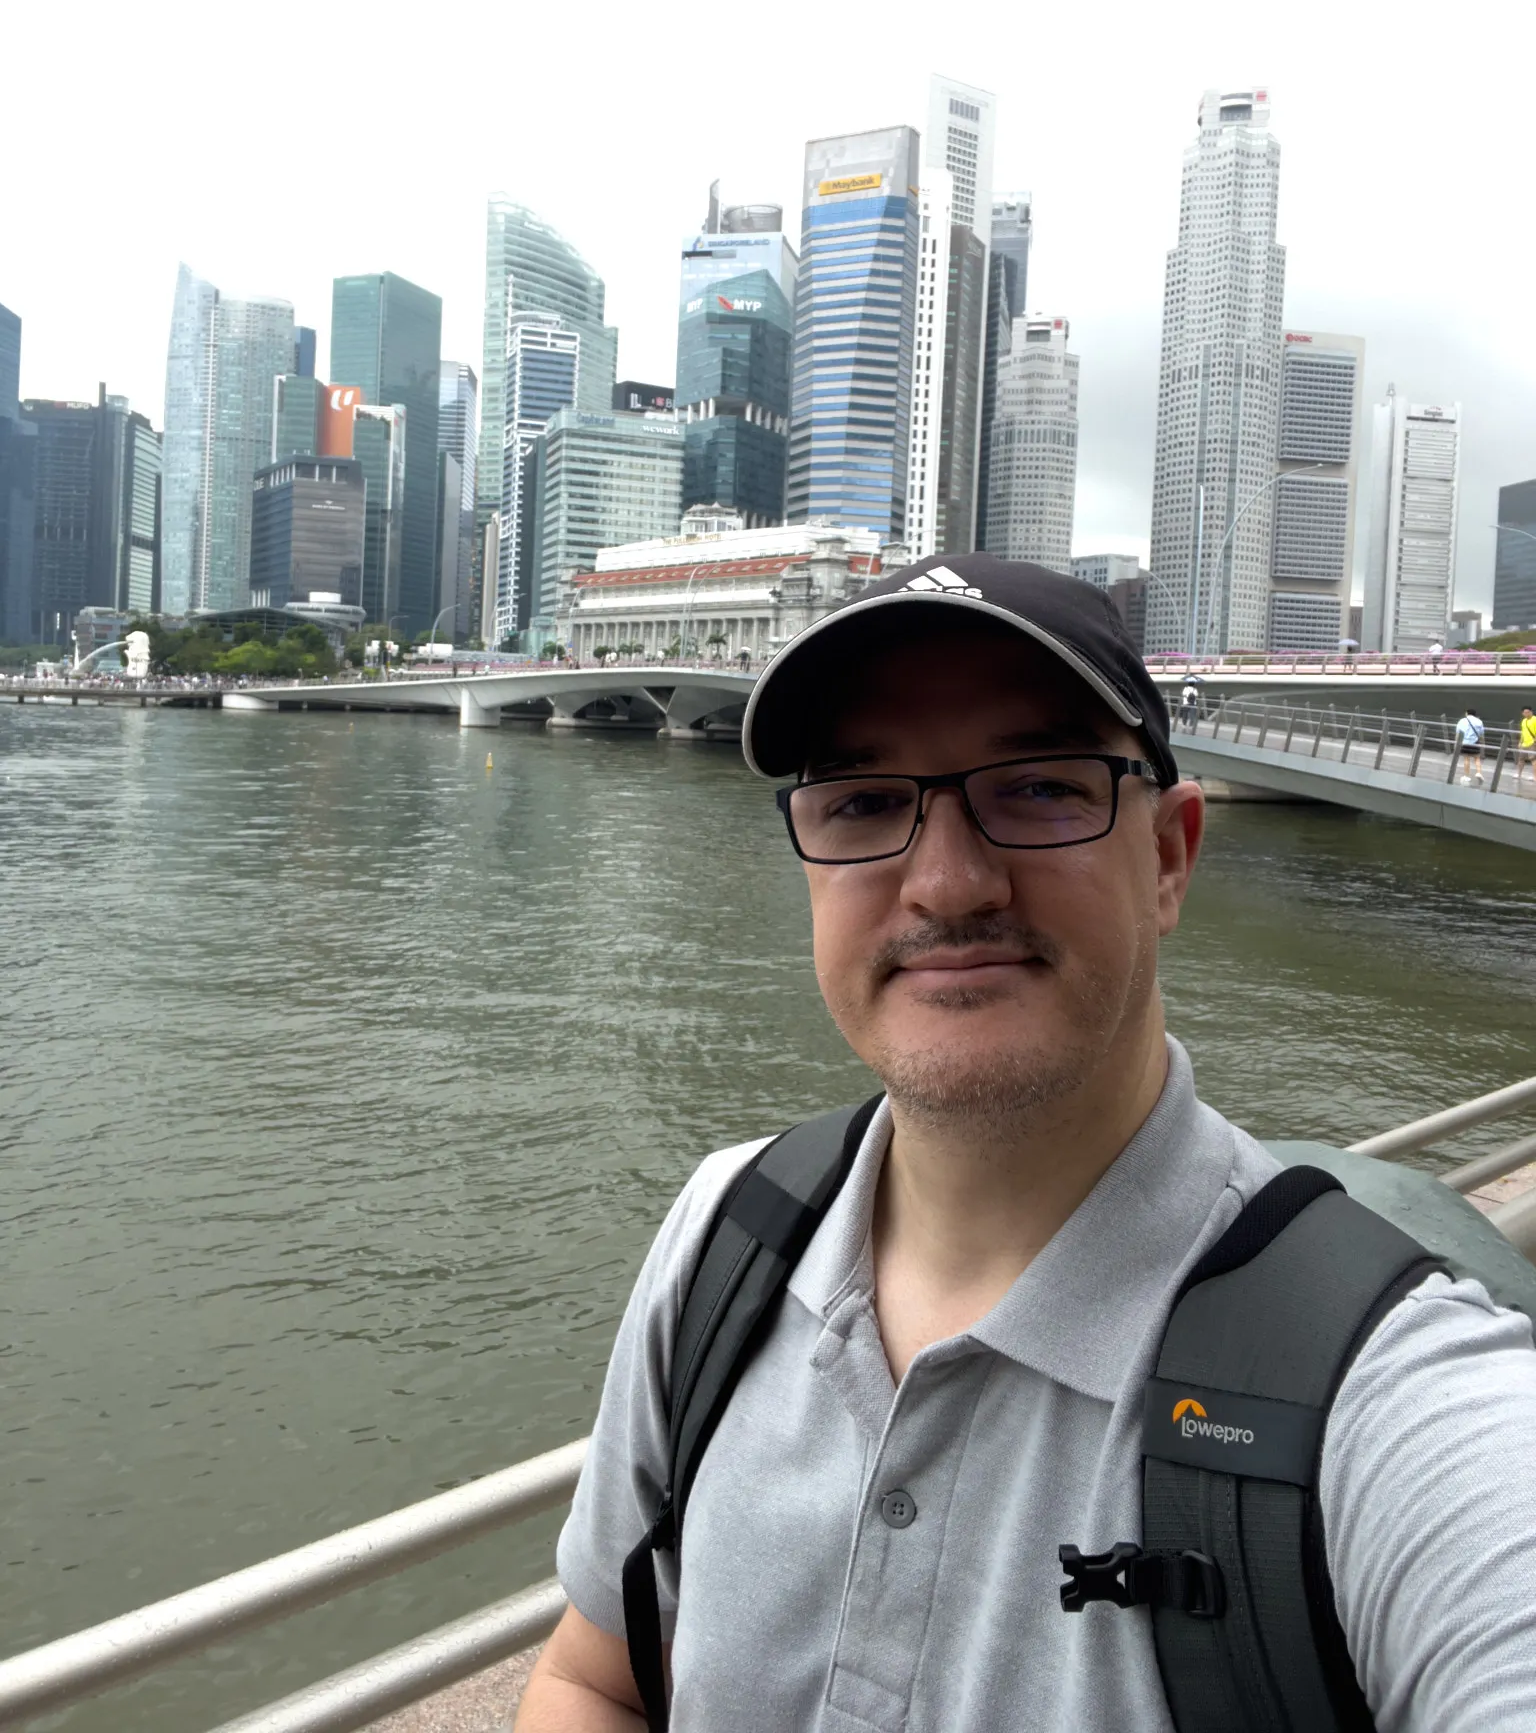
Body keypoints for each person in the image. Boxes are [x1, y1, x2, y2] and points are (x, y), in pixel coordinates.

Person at [518, 554, 1536, 1732]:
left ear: (1169, 856)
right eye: (861, 801)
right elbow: (595, 1675)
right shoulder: (727, 1231)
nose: (947, 883)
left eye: (1042, 786)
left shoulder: (1392, 1398)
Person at [1455, 707, 1486, 785]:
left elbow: (1458, 733)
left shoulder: (1462, 721)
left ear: (1467, 713)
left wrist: (1456, 743)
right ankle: (1479, 773)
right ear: (1475, 714)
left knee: (1466, 759)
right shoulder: (1479, 721)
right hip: (1475, 742)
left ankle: (1466, 776)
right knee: (1477, 758)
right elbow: (1481, 734)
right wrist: (1483, 742)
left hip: (1465, 742)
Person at [1518, 705, 1536, 789]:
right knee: (1521, 759)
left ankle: (1535, 777)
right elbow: (1523, 732)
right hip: (1524, 744)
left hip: (1532, 743)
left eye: (1528, 712)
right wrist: (1520, 742)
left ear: (1531, 712)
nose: (1526, 714)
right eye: (1525, 712)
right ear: (1522, 713)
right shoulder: (1524, 721)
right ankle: (1519, 774)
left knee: (1533, 760)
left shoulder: (1535, 720)